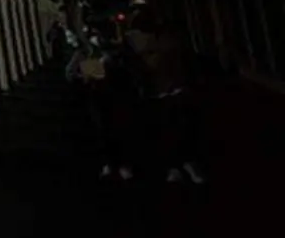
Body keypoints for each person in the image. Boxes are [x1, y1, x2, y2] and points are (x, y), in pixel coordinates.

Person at [125, 11, 205, 184]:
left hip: (163, 92)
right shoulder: (167, 40)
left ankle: (177, 166)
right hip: (173, 90)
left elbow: (143, 69)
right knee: (180, 129)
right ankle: (183, 165)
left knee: (170, 129)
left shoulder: (142, 44)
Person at [67, 22, 136, 180]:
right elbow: (70, 73)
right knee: (105, 130)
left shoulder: (106, 51)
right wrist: (83, 76)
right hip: (101, 94)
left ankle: (119, 163)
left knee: (115, 129)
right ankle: (113, 163)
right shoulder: (91, 52)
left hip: (110, 94)